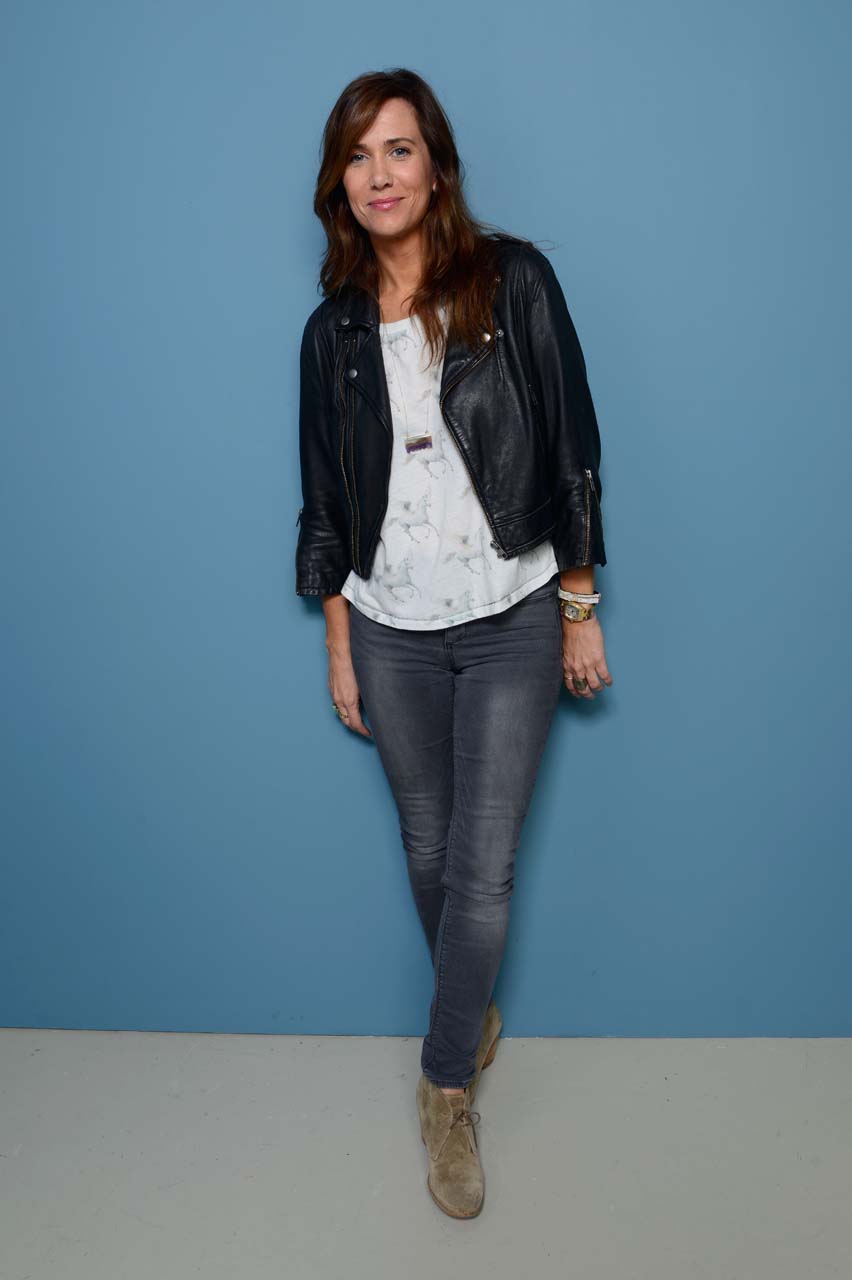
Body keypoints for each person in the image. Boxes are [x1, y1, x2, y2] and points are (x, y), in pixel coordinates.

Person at [295, 67, 613, 1219]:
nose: (379, 174)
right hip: (390, 628)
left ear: (436, 166)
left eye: (399, 149)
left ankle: (444, 1087)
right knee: (428, 849)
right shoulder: (331, 333)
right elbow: (325, 505)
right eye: (358, 154)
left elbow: (572, 440)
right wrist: (340, 643)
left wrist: (577, 601)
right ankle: (468, 1010)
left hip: (512, 612)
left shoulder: (512, 280)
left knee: (481, 869)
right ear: (340, 181)